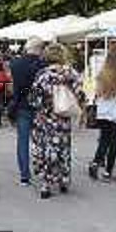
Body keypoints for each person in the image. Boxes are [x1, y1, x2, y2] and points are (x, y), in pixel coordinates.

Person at [31, 43, 85, 199]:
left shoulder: (42, 74)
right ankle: (63, 180)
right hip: (63, 118)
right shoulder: (72, 73)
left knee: (47, 149)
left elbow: (35, 99)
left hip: (46, 118)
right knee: (64, 149)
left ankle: (46, 184)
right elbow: (80, 95)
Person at [89, 46, 116, 182]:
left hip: (103, 112)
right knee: (114, 144)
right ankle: (107, 173)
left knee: (104, 140)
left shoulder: (102, 73)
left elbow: (97, 92)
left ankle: (95, 163)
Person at [9, 36, 46, 185]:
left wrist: (11, 105)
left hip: (22, 105)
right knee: (41, 141)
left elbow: (12, 88)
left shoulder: (15, 64)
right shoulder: (43, 65)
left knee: (22, 141)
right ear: (39, 49)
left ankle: (25, 175)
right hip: (40, 107)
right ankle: (42, 169)